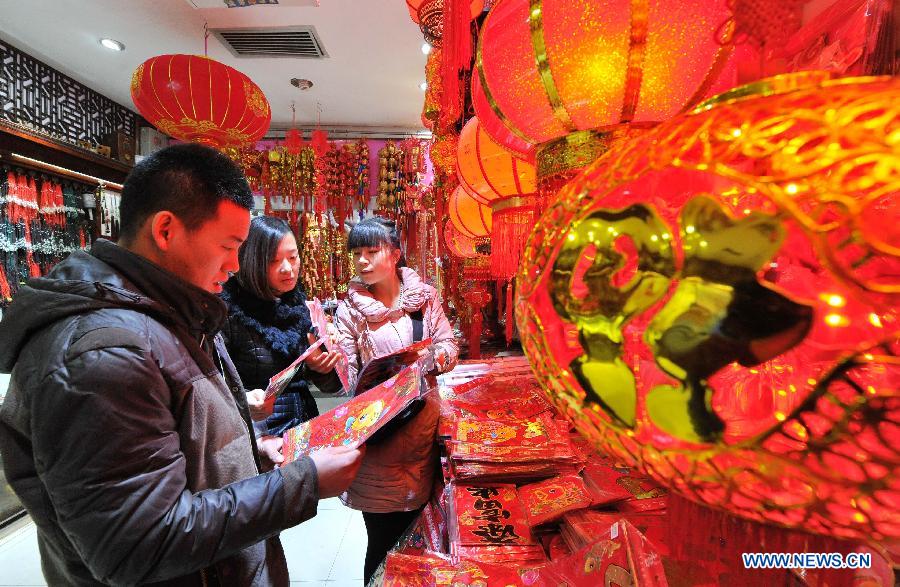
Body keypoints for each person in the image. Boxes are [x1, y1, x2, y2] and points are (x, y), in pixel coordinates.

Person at [0, 144, 364, 586]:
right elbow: (137, 543)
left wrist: (250, 454)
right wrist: (300, 484)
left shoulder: (173, 312)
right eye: (229, 246)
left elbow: (185, 442)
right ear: (166, 230)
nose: (234, 265)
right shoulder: (101, 352)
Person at [335, 217, 459, 583]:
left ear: (395, 254)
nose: (362, 261)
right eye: (356, 253)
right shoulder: (350, 312)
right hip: (380, 444)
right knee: (382, 544)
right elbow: (348, 381)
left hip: (424, 437)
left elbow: (449, 346)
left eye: (372, 251)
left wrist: (430, 361)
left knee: (422, 541)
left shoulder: (425, 299)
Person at [220, 215, 343, 470]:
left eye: (293, 257)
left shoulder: (299, 305)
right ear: (251, 262)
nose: (288, 268)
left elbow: (327, 385)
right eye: (274, 261)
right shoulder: (229, 310)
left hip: (302, 430)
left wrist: (322, 369)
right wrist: (244, 401)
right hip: (255, 441)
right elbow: (214, 390)